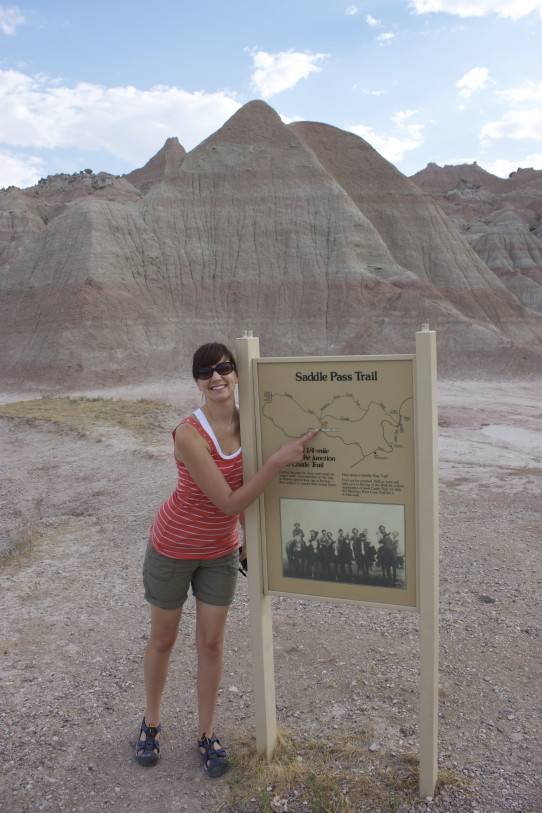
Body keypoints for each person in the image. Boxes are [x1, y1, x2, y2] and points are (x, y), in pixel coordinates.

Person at [136, 342, 319, 776]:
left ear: (236, 374)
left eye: (223, 369)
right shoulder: (188, 433)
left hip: (219, 552)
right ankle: (152, 722)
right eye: (205, 372)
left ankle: (205, 733)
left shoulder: (251, 422)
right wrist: (277, 462)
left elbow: (243, 498)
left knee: (212, 644)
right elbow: (227, 501)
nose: (216, 377)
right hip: (173, 548)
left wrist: (249, 540)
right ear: (196, 381)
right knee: (163, 639)